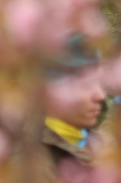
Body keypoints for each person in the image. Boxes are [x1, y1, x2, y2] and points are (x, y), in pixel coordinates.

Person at [36, 34, 104, 181]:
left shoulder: (107, 146)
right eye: (86, 85)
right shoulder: (28, 160)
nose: (100, 95)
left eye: (100, 83)